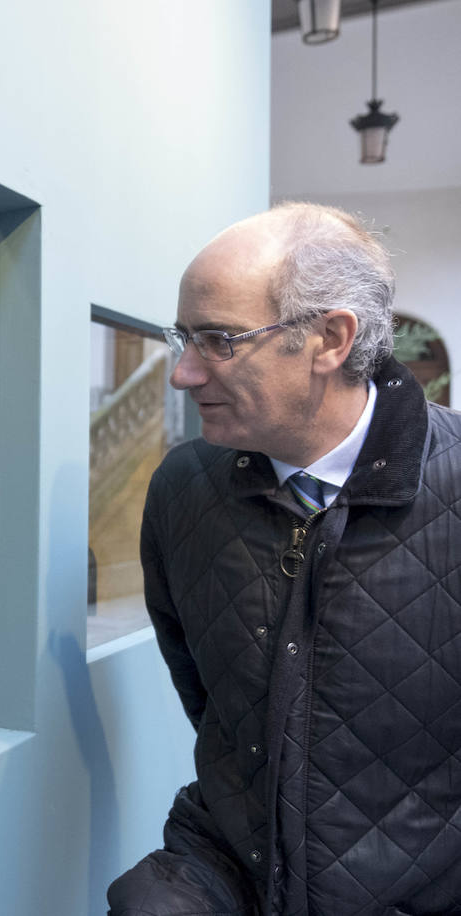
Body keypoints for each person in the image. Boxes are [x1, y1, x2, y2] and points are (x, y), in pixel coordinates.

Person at [108, 203, 461, 916]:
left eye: (219, 340)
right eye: (185, 338)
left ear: (329, 339)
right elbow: (214, 704)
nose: (184, 374)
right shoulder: (184, 489)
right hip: (227, 878)